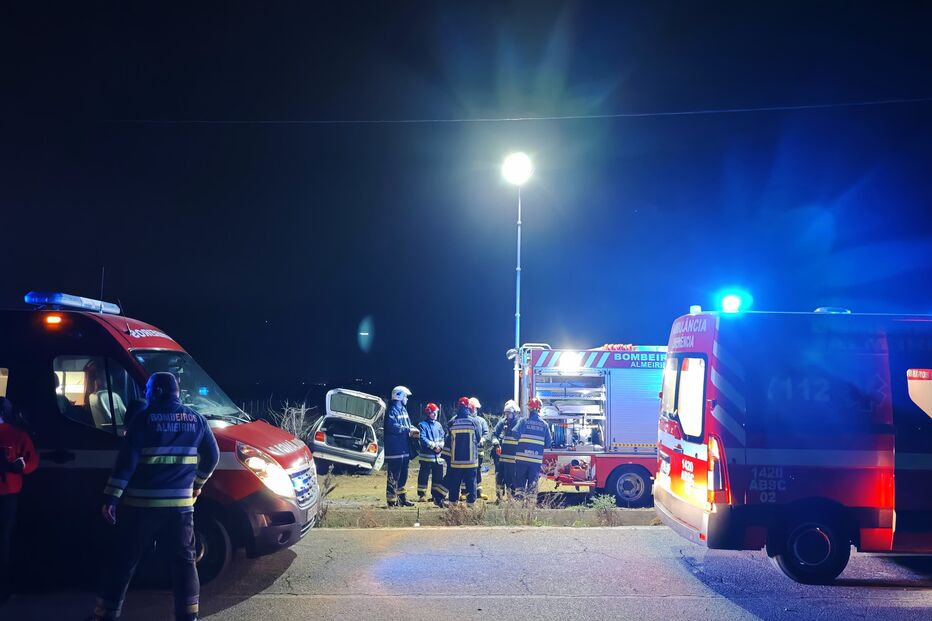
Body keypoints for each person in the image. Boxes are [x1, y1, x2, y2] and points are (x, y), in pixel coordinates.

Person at [88, 372, 219, 621]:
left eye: (147, 389)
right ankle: (188, 616)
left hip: (141, 506)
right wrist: (197, 485)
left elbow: (126, 463)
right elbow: (212, 458)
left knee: (123, 561)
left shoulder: (142, 420)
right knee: (184, 564)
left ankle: (105, 615)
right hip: (181, 508)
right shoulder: (197, 420)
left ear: (157, 392)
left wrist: (112, 498)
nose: (145, 394)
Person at [0, 397, 38, 604]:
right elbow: (31, 462)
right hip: (8, 494)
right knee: (4, 539)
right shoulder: (18, 435)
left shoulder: (17, 435)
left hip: (7, 494)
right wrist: (19, 467)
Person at [511, 397, 552, 500]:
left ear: (529, 409)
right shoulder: (544, 425)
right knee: (532, 485)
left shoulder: (523, 421)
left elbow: (514, 434)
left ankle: (518, 505)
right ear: (539, 409)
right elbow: (548, 444)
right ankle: (530, 507)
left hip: (522, 459)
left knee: (520, 485)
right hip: (535, 460)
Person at [383, 385, 417, 507]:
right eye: (405, 396)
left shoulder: (403, 410)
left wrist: (413, 430)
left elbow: (408, 425)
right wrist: (408, 430)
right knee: (394, 475)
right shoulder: (392, 410)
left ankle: (402, 499)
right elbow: (392, 427)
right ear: (399, 396)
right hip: (395, 449)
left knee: (403, 475)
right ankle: (391, 501)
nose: (406, 399)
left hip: (404, 448)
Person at [445, 397, 482, 506]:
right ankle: (470, 505)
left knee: (454, 483)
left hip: (456, 461)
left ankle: (453, 505)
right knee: (471, 483)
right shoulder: (474, 421)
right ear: (468, 407)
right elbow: (479, 438)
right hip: (471, 461)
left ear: (457, 407)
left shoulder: (452, 422)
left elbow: (449, 438)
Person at [415, 403, 446, 506]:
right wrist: (433, 446)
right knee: (423, 476)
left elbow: (443, 436)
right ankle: (422, 495)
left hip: (438, 457)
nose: (435, 414)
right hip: (427, 457)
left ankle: (435, 495)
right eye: (434, 412)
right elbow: (422, 438)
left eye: (436, 412)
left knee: (438, 477)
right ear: (429, 413)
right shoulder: (422, 425)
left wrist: (441, 446)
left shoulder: (438, 425)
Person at [492, 400, 520, 499]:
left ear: (515, 412)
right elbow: (494, 434)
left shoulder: (519, 423)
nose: (507, 415)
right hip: (500, 456)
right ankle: (499, 497)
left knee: (511, 478)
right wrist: (496, 444)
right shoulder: (502, 422)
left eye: (509, 413)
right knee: (499, 476)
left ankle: (511, 498)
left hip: (512, 457)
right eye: (506, 413)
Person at [467, 397, 490, 500]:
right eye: (472, 408)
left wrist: (482, 439)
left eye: (475, 408)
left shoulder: (481, 421)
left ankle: (478, 491)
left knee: (478, 471)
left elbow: (486, 433)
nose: (473, 410)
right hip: (467, 451)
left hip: (478, 451)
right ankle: (465, 492)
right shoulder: (465, 420)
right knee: (466, 471)